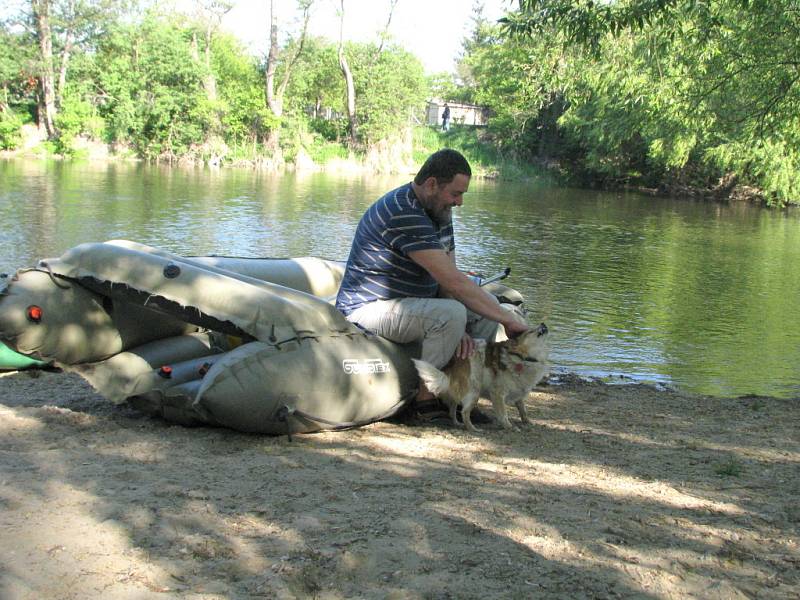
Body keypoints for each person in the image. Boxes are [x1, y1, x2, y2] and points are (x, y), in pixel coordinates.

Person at [335, 148, 530, 403]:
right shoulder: (404, 212)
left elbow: (449, 277)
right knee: (452, 314)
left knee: (486, 309)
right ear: (431, 184)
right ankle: (426, 403)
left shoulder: (440, 214)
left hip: (409, 306)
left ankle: (465, 393)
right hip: (367, 309)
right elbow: (453, 282)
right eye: (456, 193)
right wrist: (506, 319)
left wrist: (487, 319)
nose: (460, 202)